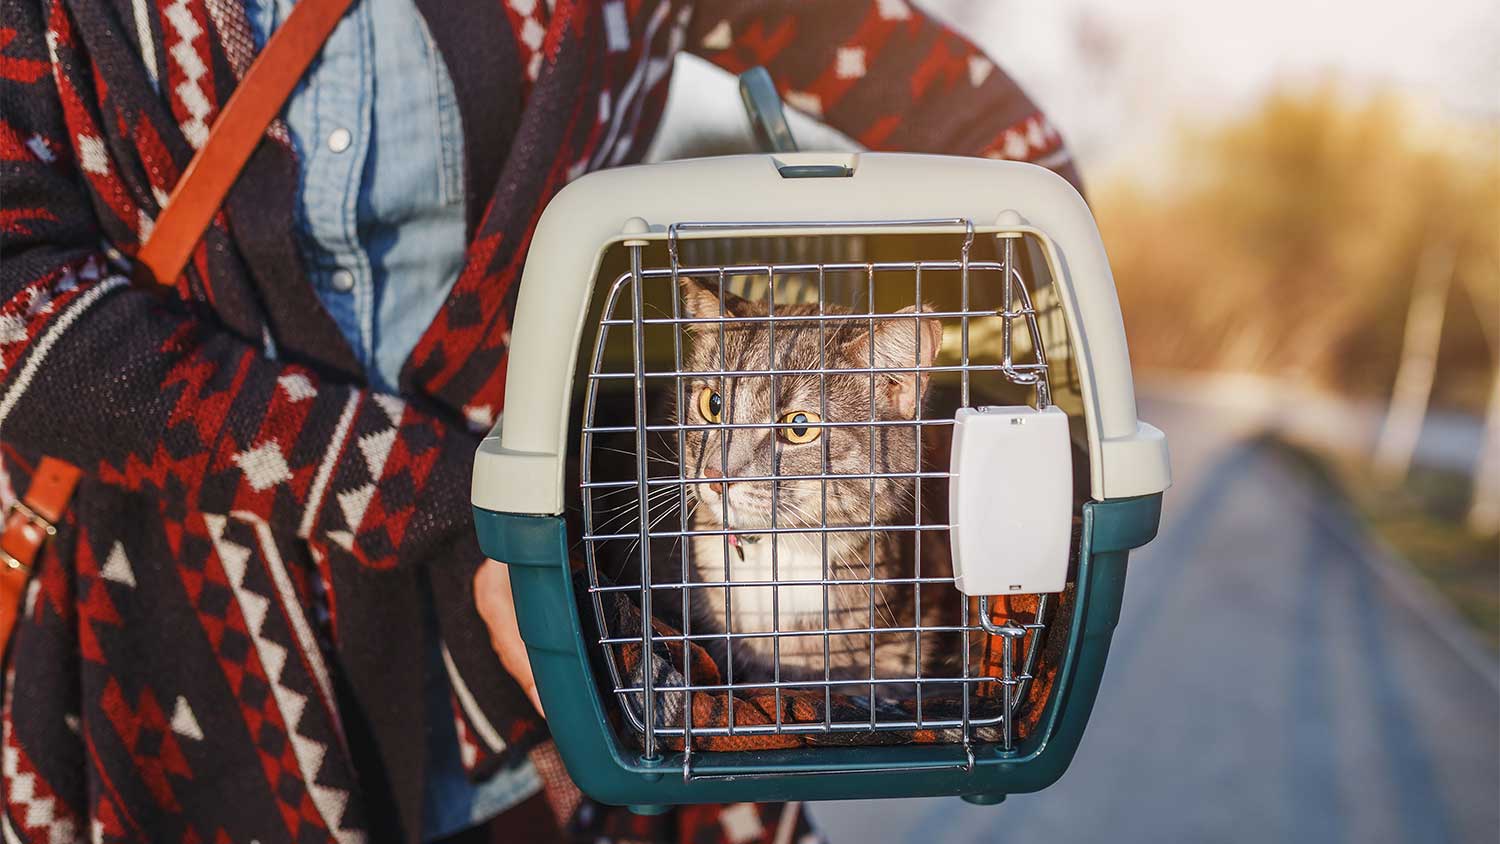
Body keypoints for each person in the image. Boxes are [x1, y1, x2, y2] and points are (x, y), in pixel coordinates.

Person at [0, 0, 1080, 841]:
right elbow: (15, 293)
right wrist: (462, 510)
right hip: (164, 656)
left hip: (553, 683)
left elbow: (960, 110)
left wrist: (1031, 407)